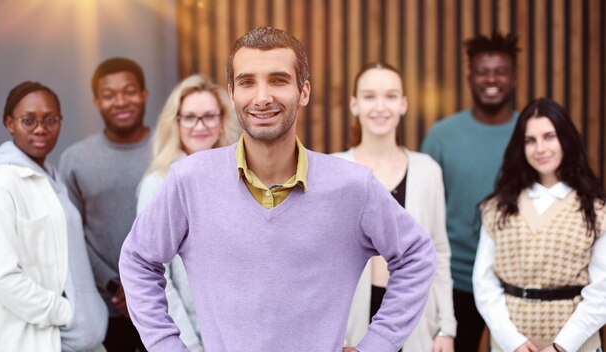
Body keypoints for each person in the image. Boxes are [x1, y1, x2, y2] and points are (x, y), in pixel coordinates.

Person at [120, 27, 436, 352]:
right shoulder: (189, 180)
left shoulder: (353, 186)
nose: (262, 97)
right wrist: (166, 346)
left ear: (304, 92)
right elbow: (138, 260)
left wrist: (378, 344)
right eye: (247, 82)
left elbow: (417, 256)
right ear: (231, 94)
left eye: (278, 80)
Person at [334, 62, 456, 352]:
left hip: (413, 318)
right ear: (354, 104)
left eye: (390, 96)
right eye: (369, 96)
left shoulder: (428, 170)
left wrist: (446, 327)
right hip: (349, 326)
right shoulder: (335, 169)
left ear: (403, 104)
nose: (380, 106)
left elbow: (438, 251)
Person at [0, 81, 107, 351]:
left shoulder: (52, 179)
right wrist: (65, 312)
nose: (40, 128)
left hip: (78, 339)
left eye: (50, 119)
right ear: (9, 123)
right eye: (28, 120)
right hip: (37, 337)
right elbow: (1, 277)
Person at [473, 98, 606, 352]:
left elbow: (603, 290)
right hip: (509, 346)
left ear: (565, 139)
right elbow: (484, 283)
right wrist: (513, 341)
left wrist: (562, 346)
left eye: (549, 136)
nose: (540, 148)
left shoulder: (596, 210)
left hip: (576, 347)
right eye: (530, 140)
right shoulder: (497, 207)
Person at [420, 32, 520, 351]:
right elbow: (425, 215)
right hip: (455, 282)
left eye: (500, 71)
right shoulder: (441, 137)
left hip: (515, 283)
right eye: (482, 71)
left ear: (514, 77)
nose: (491, 79)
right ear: (469, 78)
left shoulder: (531, 136)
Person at [136, 73, 241, 351]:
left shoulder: (242, 178)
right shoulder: (158, 183)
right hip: (193, 338)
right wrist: (187, 345)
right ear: (177, 122)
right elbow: (157, 277)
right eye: (190, 117)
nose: (200, 126)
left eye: (209, 116)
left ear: (222, 120)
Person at [59, 57, 150, 351]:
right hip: (107, 307)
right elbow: (71, 234)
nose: (121, 102)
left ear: (145, 94)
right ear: (97, 102)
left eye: (130, 91)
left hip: (165, 301)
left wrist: (145, 285)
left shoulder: (171, 149)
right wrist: (114, 284)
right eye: (109, 95)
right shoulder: (75, 159)